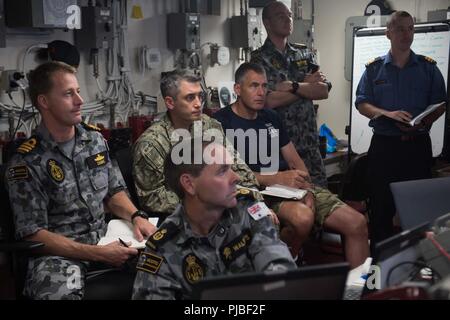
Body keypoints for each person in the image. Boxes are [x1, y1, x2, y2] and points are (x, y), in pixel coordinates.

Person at [5, 61, 157, 300]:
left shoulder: (94, 140)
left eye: (78, 91)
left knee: (176, 270)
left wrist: (137, 217)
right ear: (44, 102)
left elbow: (114, 192)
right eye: (68, 94)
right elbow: (33, 234)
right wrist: (98, 254)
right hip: (60, 255)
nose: (80, 100)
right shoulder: (27, 161)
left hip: (108, 239)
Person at [214, 62, 369, 268]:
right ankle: (287, 261)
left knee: (357, 223)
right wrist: (275, 178)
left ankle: (360, 292)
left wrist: (308, 190)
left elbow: (296, 162)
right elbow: (223, 174)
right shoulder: (220, 122)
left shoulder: (271, 117)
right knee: (303, 219)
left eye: (264, 86)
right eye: (254, 86)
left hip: (288, 187)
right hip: (252, 192)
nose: (261, 93)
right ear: (237, 89)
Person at [132, 140, 296, 300]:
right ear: (189, 184)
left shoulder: (248, 209)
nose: (236, 178)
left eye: (231, 168)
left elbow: (277, 263)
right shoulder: (163, 248)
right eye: (222, 171)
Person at [355, 11, 447, 244]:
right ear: (388, 33)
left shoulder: (428, 69)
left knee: (420, 215)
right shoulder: (374, 69)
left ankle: (418, 271)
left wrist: (423, 122)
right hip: (385, 150)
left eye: (410, 29)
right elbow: (362, 103)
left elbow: (440, 104)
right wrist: (387, 114)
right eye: (400, 29)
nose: (406, 34)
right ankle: (380, 272)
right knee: (380, 213)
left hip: (417, 149)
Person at [132, 69, 261, 218]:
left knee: (263, 221)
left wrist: (254, 202)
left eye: (200, 96)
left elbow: (240, 169)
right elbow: (153, 199)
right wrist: (210, 199)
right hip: (183, 218)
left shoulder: (209, 126)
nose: (198, 104)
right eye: (190, 98)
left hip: (223, 206)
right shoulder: (151, 144)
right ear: (170, 102)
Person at [250, 1, 331, 188]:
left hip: (310, 147)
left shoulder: (303, 52)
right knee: (292, 210)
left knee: (321, 203)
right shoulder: (258, 59)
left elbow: (323, 90)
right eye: (281, 16)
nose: (288, 19)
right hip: (280, 151)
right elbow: (267, 101)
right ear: (267, 23)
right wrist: (305, 88)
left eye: (290, 15)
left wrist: (292, 86)